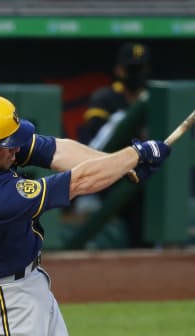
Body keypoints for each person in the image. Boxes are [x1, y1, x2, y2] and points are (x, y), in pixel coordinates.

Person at [0, 93, 170, 336]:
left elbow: (56, 151)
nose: (16, 148)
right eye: (7, 144)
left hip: (22, 287)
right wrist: (136, 155)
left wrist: (119, 166)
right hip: (3, 302)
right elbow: (80, 181)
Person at [77, 42, 152, 247]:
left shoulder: (154, 98)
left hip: (144, 179)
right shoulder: (106, 98)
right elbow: (94, 142)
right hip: (110, 177)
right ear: (120, 70)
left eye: (141, 69)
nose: (137, 74)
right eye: (132, 69)